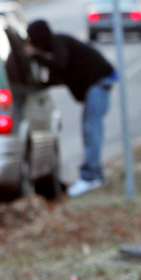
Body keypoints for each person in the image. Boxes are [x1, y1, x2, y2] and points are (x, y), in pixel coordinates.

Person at [25, 20, 116, 197]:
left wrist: (34, 55)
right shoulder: (54, 48)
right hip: (96, 86)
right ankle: (94, 175)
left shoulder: (59, 42)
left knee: (92, 129)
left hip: (98, 83)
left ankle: (90, 177)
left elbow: (59, 65)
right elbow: (56, 76)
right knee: (89, 129)